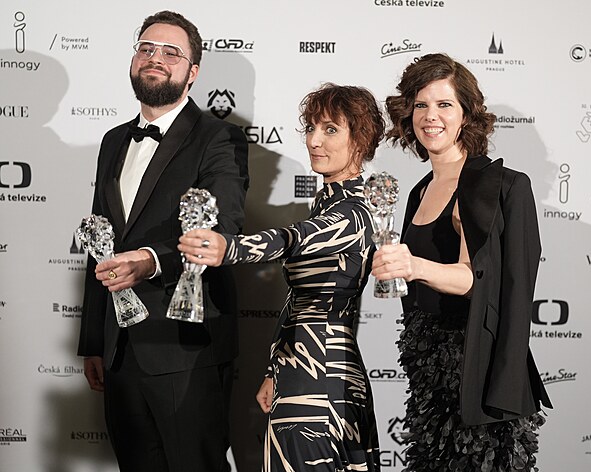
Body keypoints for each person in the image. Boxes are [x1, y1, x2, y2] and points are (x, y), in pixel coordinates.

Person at [179, 83, 383, 471]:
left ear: (361, 139)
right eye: (312, 128)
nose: (314, 140)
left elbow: (293, 239)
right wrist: (276, 368)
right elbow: (299, 301)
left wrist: (230, 248)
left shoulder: (355, 211)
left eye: (331, 129)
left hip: (322, 382)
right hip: (302, 370)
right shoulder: (327, 203)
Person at [77, 11, 248, 472]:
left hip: (187, 346)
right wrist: (93, 340)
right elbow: (100, 238)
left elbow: (222, 228)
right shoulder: (113, 140)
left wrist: (151, 260)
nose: (155, 58)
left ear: (193, 72)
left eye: (172, 52)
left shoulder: (220, 138)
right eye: (146, 48)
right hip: (119, 350)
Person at [371, 53, 552, 471]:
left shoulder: (498, 184)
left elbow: (476, 280)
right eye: (420, 104)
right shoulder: (419, 191)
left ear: (467, 114)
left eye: (444, 104)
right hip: (428, 374)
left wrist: (413, 266)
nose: (430, 116)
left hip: (478, 371)